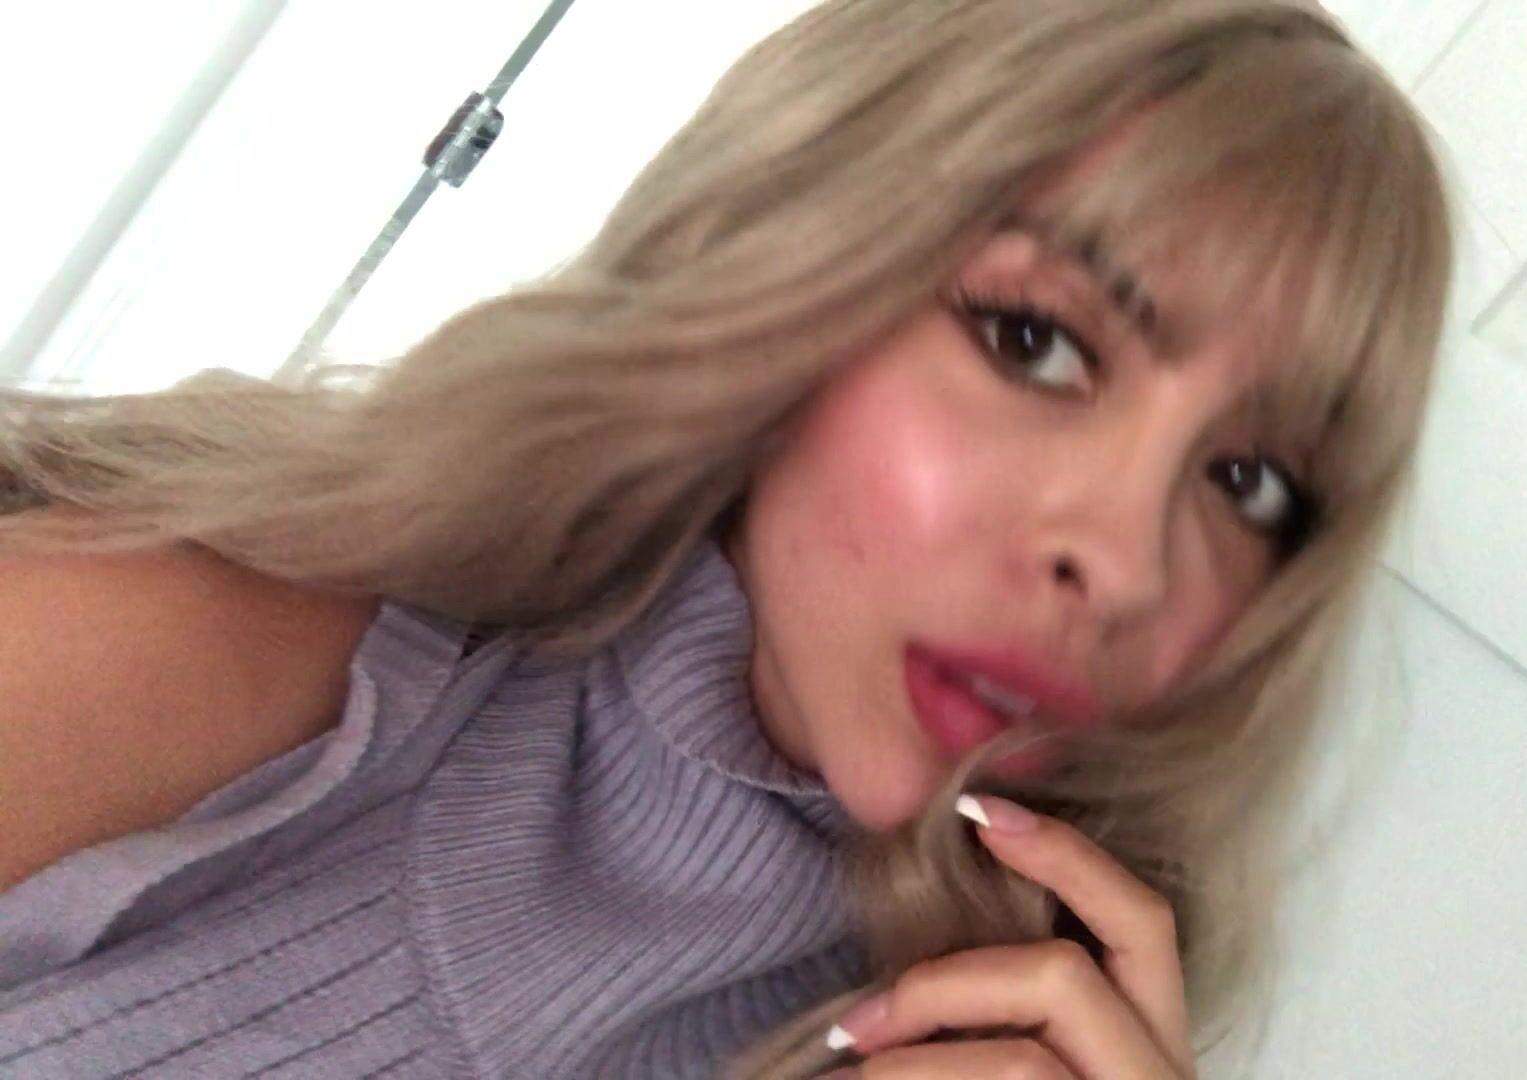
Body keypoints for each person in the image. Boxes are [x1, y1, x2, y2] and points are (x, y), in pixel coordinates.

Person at [0, 0, 1451, 1076]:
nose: (1127, 563)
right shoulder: (216, 649)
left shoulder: (1009, 1039)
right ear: (791, 262)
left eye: (1252, 484)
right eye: (1037, 342)